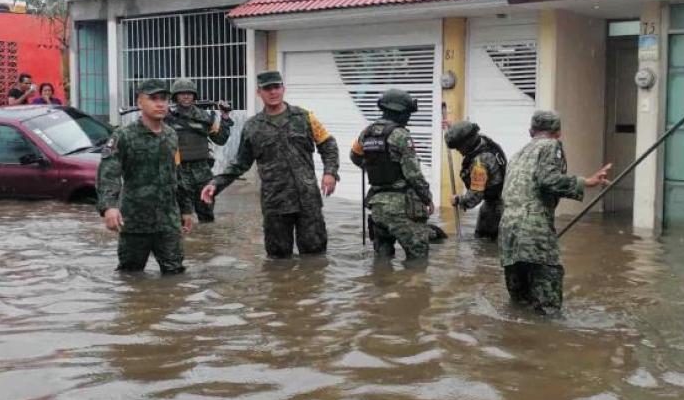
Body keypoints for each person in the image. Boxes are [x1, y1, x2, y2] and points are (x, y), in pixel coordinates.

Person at [200, 71, 339, 258]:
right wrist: (216, 184)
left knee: (315, 257)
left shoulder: (305, 117)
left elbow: (328, 144)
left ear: (283, 89)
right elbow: (240, 164)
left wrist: (330, 172)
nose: (273, 92)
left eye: (276, 87)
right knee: (277, 260)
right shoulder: (252, 127)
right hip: (275, 203)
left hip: (308, 201)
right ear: (259, 92)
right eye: (267, 88)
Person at [499, 110, 612, 315]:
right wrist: (586, 182)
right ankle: (547, 342)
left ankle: (516, 343)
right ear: (558, 133)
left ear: (530, 131)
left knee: (519, 304)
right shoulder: (551, 146)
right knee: (547, 307)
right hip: (534, 231)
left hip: (508, 233)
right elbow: (548, 180)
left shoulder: (518, 154)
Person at [96, 79, 194, 275]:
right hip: (134, 223)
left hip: (168, 223)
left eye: (164, 99)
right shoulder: (124, 136)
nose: (160, 104)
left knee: (175, 275)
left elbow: (177, 173)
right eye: (153, 99)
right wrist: (109, 207)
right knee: (130, 277)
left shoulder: (171, 135)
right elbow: (109, 171)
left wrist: (186, 209)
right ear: (140, 102)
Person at [350, 89, 434, 259]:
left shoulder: (366, 133)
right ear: (400, 112)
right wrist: (427, 199)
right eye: (408, 113)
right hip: (402, 208)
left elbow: (355, 156)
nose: (409, 117)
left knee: (382, 262)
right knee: (418, 262)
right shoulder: (401, 135)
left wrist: (375, 168)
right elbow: (413, 174)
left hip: (377, 207)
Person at [165, 78, 233, 223]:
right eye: (182, 93)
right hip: (178, 172)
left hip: (202, 173)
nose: (186, 96)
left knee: (207, 216)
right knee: (178, 218)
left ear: (194, 96)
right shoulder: (166, 117)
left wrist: (225, 117)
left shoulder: (205, 117)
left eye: (189, 93)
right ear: (175, 96)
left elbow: (220, 139)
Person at [445, 120, 507, 239]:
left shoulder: (479, 164)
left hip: (494, 210)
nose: (458, 151)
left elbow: (475, 197)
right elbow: (466, 132)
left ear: (467, 143)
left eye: (459, 147)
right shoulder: (484, 141)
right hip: (503, 202)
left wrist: (458, 200)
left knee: (485, 245)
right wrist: (453, 129)